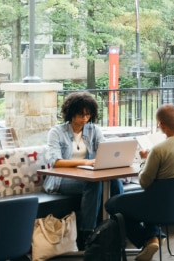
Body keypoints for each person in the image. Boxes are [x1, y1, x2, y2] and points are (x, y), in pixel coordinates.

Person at [106, 105, 174, 261]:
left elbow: (144, 183)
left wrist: (144, 160)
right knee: (144, 200)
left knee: (113, 204)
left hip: (159, 207)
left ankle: (147, 240)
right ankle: (153, 237)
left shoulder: (159, 150)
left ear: (161, 125)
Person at [43, 92, 123, 248]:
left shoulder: (94, 130)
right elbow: (56, 162)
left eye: (88, 114)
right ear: (71, 113)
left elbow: (105, 150)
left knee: (114, 180)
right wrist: (87, 162)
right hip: (61, 180)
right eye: (81, 114)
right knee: (93, 184)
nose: (85, 118)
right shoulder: (57, 132)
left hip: (87, 175)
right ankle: (88, 234)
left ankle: (120, 224)